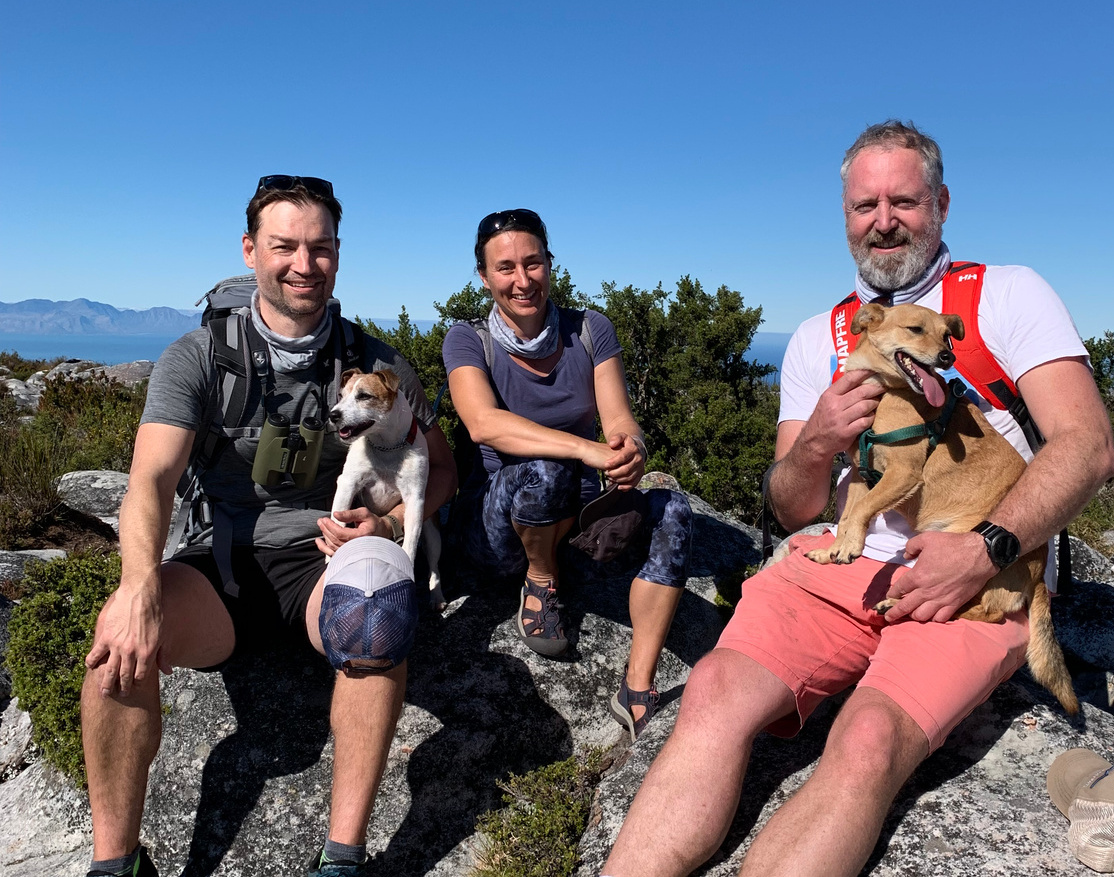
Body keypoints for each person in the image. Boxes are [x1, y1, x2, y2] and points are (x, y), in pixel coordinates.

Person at [603, 121, 1114, 876]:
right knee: (711, 689)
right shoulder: (820, 338)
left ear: (941, 204)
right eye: (864, 205)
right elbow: (790, 506)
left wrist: (985, 550)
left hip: (970, 572)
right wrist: (815, 443)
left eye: (903, 201)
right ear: (845, 215)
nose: (883, 221)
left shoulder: (1007, 296)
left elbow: (1089, 445)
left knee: (868, 739)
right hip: (842, 564)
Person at [80, 175, 457, 877]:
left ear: (338, 253)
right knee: (115, 653)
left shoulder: (379, 366)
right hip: (222, 567)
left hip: (326, 559)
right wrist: (138, 587)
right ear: (251, 250)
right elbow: (151, 479)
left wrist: (387, 519)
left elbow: (440, 470)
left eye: (320, 247)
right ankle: (115, 864)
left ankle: (342, 859)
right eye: (284, 246)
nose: (303, 264)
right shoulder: (198, 357)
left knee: (375, 616)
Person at [442, 208, 693, 741]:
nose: (522, 280)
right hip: (496, 534)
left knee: (672, 508)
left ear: (550, 264)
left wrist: (628, 447)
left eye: (533, 263)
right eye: (505, 268)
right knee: (546, 469)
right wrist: (585, 449)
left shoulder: (589, 329)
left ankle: (637, 687)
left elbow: (619, 417)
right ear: (484, 277)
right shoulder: (466, 340)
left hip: (574, 519)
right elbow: (484, 424)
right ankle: (540, 581)